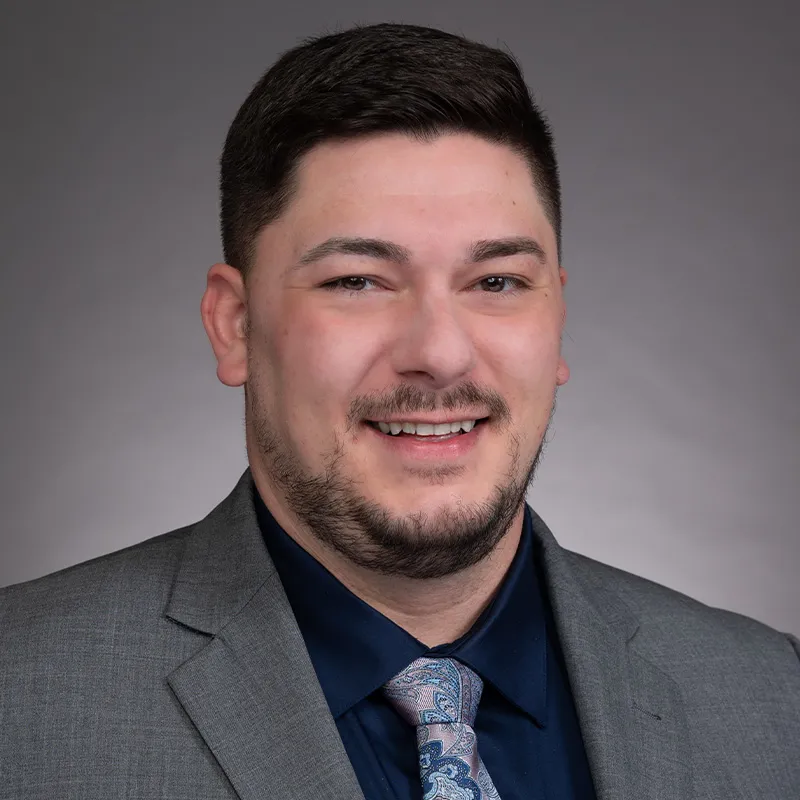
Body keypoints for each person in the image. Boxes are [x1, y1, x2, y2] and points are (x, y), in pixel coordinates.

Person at [1, 21, 797, 800]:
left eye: (496, 282)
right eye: (358, 281)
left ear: (557, 316)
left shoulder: (772, 701)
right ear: (235, 325)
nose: (441, 353)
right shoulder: (24, 704)